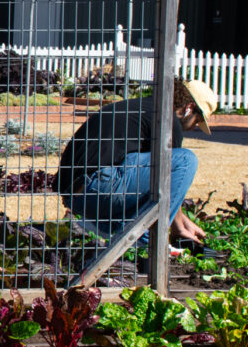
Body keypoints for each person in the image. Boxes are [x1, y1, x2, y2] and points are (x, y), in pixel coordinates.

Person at [55, 78, 218, 247]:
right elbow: (167, 180)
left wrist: (183, 222)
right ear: (189, 108)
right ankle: (144, 239)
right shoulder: (167, 120)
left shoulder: (144, 107)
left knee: (149, 170)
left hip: (76, 196)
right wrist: (178, 229)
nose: (194, 127)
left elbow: (159, 183)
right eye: (197, 119)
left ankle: (100, 228)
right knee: (185, 160)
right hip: (97, 188)